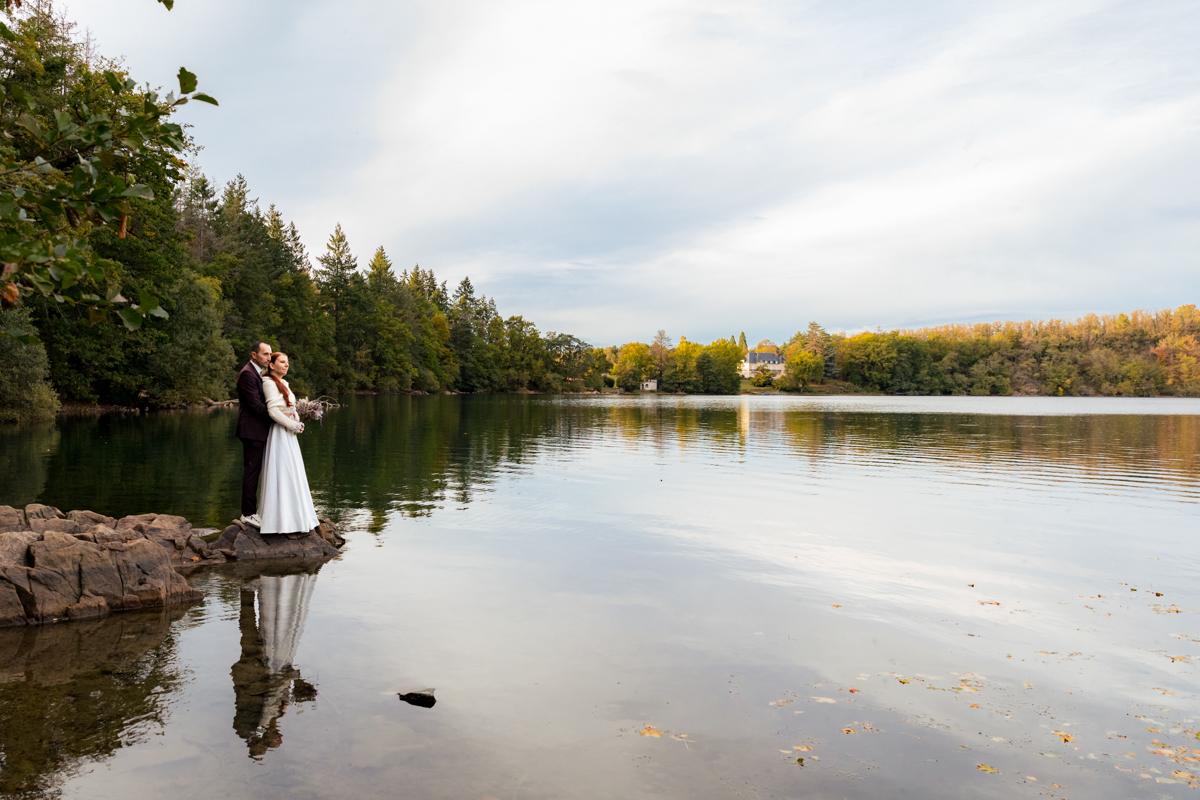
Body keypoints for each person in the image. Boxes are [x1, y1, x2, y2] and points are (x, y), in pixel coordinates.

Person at [258, 352, 320, 534]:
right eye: (282, 362)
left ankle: (295, 517)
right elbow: (273, 410)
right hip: (280, 433)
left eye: (287, 362)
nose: (287, 365)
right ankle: (280, 521)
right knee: (282, 471)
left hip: (289, 433)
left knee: (293, 472)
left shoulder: (284, 383)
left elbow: (290, 407)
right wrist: (293, 424)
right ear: (272, 365)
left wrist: (298, 420)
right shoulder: (268, 383)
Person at [236, 340, 274, 528]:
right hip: (251, 431)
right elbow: (256, 407)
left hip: (259, 430)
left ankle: (255, 511)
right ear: (254, 355)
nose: (269, 357)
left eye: (270, 354)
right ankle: (248, 514)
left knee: (257, 471)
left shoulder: (260, 374)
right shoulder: (246, 374)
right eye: (265, 354)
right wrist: (280, 415)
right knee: (251, 472)